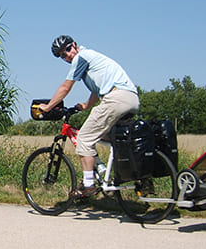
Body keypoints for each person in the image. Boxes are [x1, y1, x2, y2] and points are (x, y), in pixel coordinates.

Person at [38, 35, 139, 198]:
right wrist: (86, 105)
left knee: (84, 138)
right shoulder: (91, 59)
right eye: (63, 55)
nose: (68, 55)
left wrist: (48, 107)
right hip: (131, 99)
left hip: (116, 99)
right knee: (110, 138)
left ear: (75, 45)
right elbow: (97, 89)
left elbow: (65, 87)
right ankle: (122, 177)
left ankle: (88, 185)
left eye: (68, 49)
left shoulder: (81, 57)